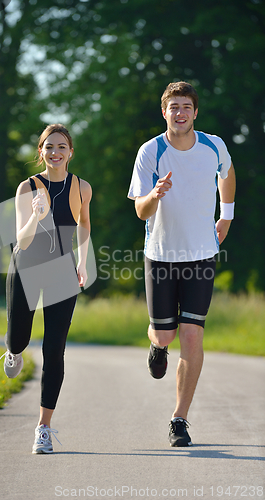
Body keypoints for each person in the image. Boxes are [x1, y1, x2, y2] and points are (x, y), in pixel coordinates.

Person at [127, 81, 236, 447]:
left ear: (195, 112)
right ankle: (157, 348)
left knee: (192, 334)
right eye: (174, 106)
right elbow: (140, 209)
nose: (180, 112)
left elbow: (228, 173)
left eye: (186, 106)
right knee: (165, 334)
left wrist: (227, 216)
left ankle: (179, 419)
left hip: (202, 253)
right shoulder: (150, 151)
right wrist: (154, 195)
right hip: (160, 254)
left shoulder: (213, 145)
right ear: (164, 112)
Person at [0, 124, 92, 454]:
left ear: (70, 152)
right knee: (20, 338)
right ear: (41, 152)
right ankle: (13, 348)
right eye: (49, 147)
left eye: (61, 147)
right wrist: (36, 216)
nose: (55, 152)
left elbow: (84, 225)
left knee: (54, 350)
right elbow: (21, 241)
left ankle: (44, 427)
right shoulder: (28, 186)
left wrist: (82, 262)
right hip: (25, 268)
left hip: (62, 272)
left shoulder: (82, 187)